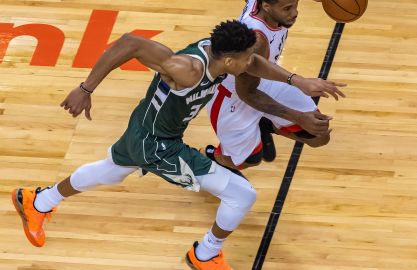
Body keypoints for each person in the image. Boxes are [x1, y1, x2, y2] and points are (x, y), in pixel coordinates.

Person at [12, 20, 335, 270]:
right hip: (157, 144)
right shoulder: (187, 68)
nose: (252, 62)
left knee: (111, 171)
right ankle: (205, 255)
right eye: (247, 57)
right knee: (241, 194)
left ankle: (37, 201)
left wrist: (297, 80)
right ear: (229, 59)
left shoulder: (225, 56)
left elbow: (255, 64)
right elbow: (130, 43)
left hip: (151, 131)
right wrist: (86, 88)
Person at [204, 0, 346, 170]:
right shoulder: (257, 41)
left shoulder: (271, 8)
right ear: (267, 6)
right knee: (246, 160)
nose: (294, 13)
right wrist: (299, 117)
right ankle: (208, 156)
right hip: (233, 95)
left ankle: (264, 124)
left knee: (318, 136)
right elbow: (247, 94)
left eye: (296, 4)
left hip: (264, 78)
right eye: (287, 8)